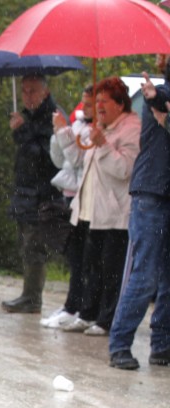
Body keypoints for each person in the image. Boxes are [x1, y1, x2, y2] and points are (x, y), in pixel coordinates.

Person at [61, 77, 139, 337]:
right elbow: (79, 160)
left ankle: (107, 319)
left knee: (111, 270)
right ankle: (88, 313)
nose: (99, 106)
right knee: (90, 266)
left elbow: (124, 169)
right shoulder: (102, 127)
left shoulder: (130, 128)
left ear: (120, 103)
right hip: (92, 211)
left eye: (104, 101)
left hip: (116, 214)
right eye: (97, 101)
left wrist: (103, 145)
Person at [108, 57, 170, 370]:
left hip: (161, 192)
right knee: (144, 275)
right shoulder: (156, 94)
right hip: (151, 193)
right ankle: (119, 344)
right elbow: (162, 104)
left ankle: (162, 346)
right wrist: (158, 99)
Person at [2, 75, 69, 314]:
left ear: (45, 91)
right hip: (26, 190)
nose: (27, 96)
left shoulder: (54, 117)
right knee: (26, 243)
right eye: (25, 91)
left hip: (42, 193)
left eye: (33, 91)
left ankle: (32, 298)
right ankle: (28, 295)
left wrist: (24, 130)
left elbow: (48, 156)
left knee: (34, 246)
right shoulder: (30, 115)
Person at [43, 85, 95, 329]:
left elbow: (77, 158)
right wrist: (59, 133)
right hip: (69, 195)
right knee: (74, 256)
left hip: (86, 199)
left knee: (84, 259)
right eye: (83, 101)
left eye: (90, 102)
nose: (84, 107)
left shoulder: (95, 129)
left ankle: (79, 307)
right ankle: (72, 305)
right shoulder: (80, 123)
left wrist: (63, 130)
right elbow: (60, 159)